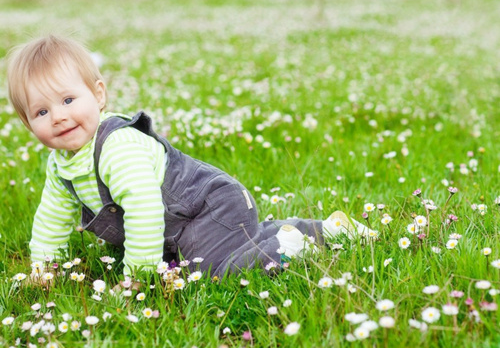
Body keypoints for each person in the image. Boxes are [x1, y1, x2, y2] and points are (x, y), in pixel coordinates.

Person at [7, 35, 374, 278]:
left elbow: (145, 209)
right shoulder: (62, 166)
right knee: (204, 257)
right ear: (27, 123)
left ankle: (292, 245)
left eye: (68, 100)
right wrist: (42, 268)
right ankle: (326, 229)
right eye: (41, 112)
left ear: (98, 95)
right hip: (181, 226)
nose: (58, 116)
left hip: (208, 206)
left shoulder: (115, 149)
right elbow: (51, 218)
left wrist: (139, 275)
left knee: (217, 269)